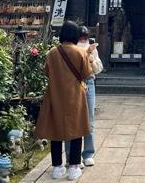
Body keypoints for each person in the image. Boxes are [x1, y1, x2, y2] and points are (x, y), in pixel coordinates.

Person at [35, 21, 92, 181]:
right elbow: (86, 73)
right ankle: (74, 167)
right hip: (75, 97)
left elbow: (47, 72)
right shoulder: (80, 52)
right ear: (75, 35)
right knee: (77, 131)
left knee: (55, 131)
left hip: (55, 95)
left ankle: (57, 167)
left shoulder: (52, 52)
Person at [65, 26, 103, 167]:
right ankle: (71, 157)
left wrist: (92, 60)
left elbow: (98, 68)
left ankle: (88, 153)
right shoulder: (70, 48)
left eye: (86, 36)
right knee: (71, 120)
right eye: (81, 36)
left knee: (89, 119)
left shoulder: (92, 48)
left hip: (89, 81)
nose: (83, 39)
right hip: (73, 83)